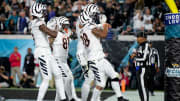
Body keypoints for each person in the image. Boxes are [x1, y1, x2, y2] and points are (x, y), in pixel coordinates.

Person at [78, 4, 128, 101]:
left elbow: (94, 27)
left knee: (113, 75)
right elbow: (104, 35)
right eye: (95, 14)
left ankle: (120, 97)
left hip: (98, 57)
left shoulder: (85, 27)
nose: (96, 16)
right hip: (95, 60)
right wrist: (104, 25)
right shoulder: (90, 26)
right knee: (101, 84)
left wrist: (102, 25)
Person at [30, 2, 66, 101]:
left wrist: (55, 31)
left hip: (46, 51)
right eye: (42, 11)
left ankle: (62, 98)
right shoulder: (38, 23)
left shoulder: (35, 23)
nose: (45, 13)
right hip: (42, 52)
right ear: (37, 12)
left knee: (58, 74)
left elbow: (49, 38)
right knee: (46, 78)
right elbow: (52, 34)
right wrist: (58, 31)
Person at [47, 16, 80, 101]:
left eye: (67, 25)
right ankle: (69, 98)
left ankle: (62, 99)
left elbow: (74, 35)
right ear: (60, 24)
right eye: (64, 25)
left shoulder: (67, 33)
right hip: (57, 59)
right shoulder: (54, 33)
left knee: (69, 79)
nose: (66, 27)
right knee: (66, 78)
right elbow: (48, 43)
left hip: (64, 61)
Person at [135, 32, 151, 101]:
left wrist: (135, 58)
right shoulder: (140, 46)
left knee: (143, 87)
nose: (137, 39)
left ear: (143, 38)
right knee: (140, 87)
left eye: (138, 37)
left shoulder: (146, 45)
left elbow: (144, 58)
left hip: (143, 69)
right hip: (139, 69)